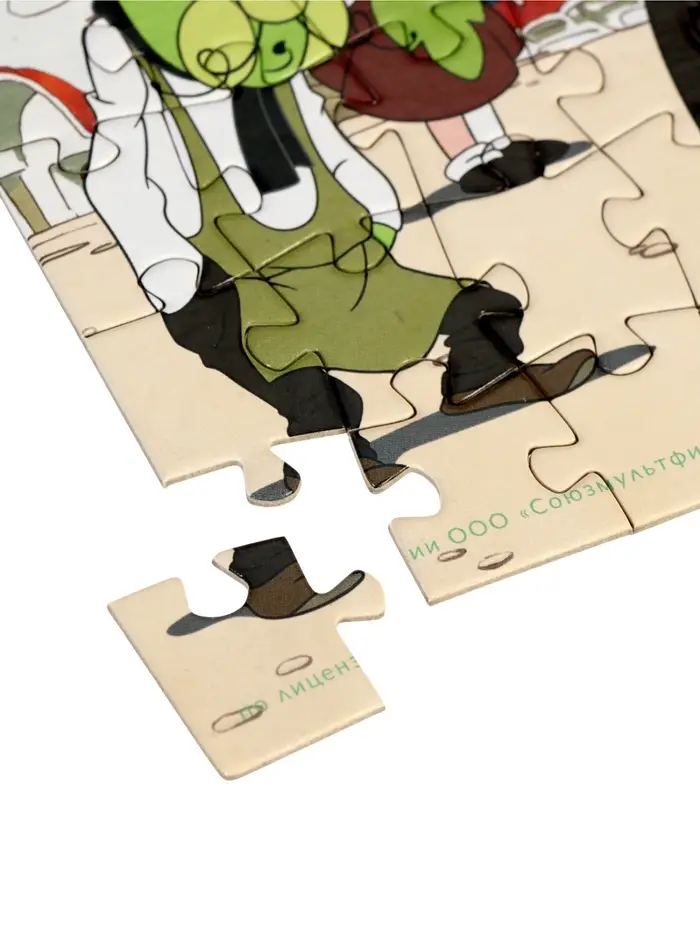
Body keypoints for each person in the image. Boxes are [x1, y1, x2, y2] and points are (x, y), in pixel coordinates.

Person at [83, 0, 593, 616]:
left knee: (482, 307)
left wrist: (375, 206)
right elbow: (117, 181)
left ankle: (482, 380)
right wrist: (167, 270)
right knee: (321, 413)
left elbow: (322, 139)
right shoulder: (139, 101)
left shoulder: (276, 66)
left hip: (333, 263)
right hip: (219, 292)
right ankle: (269, 571)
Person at [312, 0, 571, 194]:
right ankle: (466, 160)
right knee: (433, 97)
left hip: (436, 16)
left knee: (473, 78)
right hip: (382, 33)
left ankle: (497, 144)